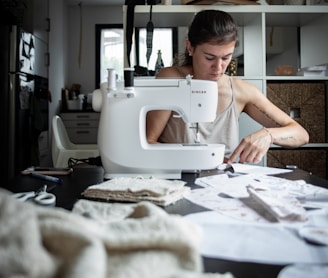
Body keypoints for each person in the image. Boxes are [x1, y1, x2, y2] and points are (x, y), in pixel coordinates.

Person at [146, 9, 309, 164]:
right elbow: (148, 141)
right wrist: (195, 158)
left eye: (226, 58)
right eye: (209, 58)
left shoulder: (241, 91)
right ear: (190, 47)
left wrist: (268, 135)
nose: (218, 67)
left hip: (223, 180)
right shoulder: (170, 79)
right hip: (175, 176)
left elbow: (301, 134)